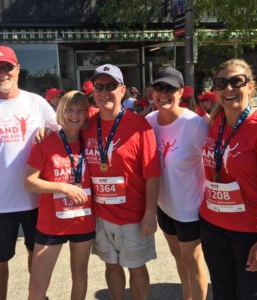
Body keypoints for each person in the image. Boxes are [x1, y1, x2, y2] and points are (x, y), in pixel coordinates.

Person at [0, 46, 58, 300]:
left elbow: (62, 136)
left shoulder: (36, 103)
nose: (2, 73)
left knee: (36, 252)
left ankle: (36, 296)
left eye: (7, 67)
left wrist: (49, 135)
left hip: (35, 198)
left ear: (17, 69)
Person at [200, 59, 257, 299]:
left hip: (249, 232)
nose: (228, 88)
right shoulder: (215, 121)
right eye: (221, 83)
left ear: (250, 86)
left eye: (236, 81)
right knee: (222, 292)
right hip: (213, 226)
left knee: (253, 295)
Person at [84, 64, 160, 300]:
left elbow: (152, 173)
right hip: (101, 214)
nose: (104, 92)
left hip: (133, 216)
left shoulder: (139, 125)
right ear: (93, 91)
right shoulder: (87, 123)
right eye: (99, 87)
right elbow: (59, 125)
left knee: (136, 269)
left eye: (111, 86)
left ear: (123, 90)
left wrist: (150, 213)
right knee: (111, 266)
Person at [145, 67, 209, 300]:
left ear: (181, 92)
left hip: (189, 209)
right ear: (152, 92)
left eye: (170, 88)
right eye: (159, 88)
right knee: (178, 259)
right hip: (164, 207)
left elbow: (219, 161)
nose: (163, 94)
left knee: (192, 261)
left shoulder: (195, 125)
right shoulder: (149, 121)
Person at [25, 91, 95, 300]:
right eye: (69, 110)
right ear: (60, 112)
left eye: (80, 110)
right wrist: (64, 188)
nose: (74, 115)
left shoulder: (88, 140)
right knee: (37, 287)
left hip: (83, 219)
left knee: (80, 277)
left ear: (86, 114)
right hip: (51, 223)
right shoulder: (45, 140)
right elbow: (29, 182)